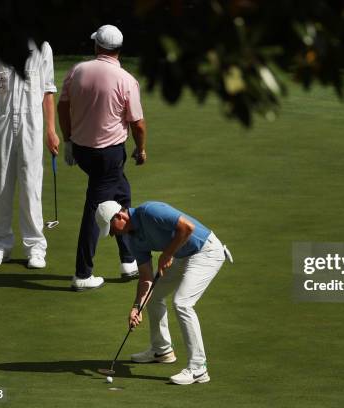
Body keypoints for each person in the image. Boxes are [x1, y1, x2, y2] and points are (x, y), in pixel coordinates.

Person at [95, 200, 233, 385]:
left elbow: (187, 227)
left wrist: (167, 254)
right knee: (154, 295)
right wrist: (137, 306)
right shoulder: (133, 239)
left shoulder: (150, 211)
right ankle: (162, 350)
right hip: (183, 255)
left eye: (112, 229)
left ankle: (199, 368)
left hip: (206, 251)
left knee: (182, 303)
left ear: (120, 216)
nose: (113, 234)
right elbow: (146, 278)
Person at [58, 25, 147, 291]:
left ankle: (128, 260)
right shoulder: (126, 79)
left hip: (83, 151)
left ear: (98, 46)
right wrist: (140, 149)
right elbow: (138, 124)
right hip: (108, 155)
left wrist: (68, 139)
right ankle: (83, 274)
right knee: (95, 211)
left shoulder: (77, 70)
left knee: (122, 194)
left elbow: (63, 105)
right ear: (118, 50)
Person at [0, 40, 59, 269]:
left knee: (31, 185)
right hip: (1, 124)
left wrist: (51, 131)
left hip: (31, 124)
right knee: (0, 184)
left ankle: (36, 248)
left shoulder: (43, 47)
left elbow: (48, 91)